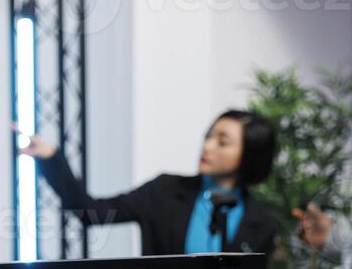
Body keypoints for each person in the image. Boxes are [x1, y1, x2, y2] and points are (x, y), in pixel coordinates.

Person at [18, 109, 279, 256]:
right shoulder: (165, 190)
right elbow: (93, 213)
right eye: (208, 136)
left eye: (222, 141)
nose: (207, 146)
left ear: (250, 154)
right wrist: (52, 160)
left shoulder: (262, 222)